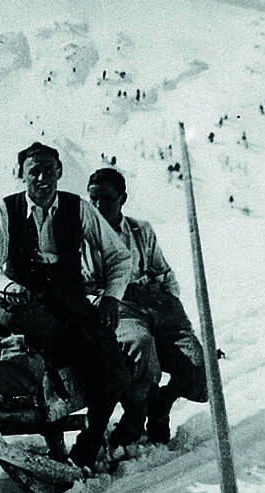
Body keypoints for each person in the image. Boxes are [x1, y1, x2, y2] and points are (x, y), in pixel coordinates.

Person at [0, 142, 133, 468]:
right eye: (33, 171)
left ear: (60, 172)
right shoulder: (5, 211)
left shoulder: (79, 209)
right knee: (47, 352)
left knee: (113, 365)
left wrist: (110, 298)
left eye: (49, 170)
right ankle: (54, 440)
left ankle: (90, 442)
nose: (42, 178)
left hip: (71, 304)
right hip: (23, 307)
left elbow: (120, 257)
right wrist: (10, 286)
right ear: (21, 175)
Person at [86, 167, 207, 445]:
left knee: (199, 368)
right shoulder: (83, 237)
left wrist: (171, 308)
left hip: (155, 303)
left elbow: (162, 271)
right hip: (118, 305)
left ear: (122, 199)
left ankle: (162, 402)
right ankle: (134, 419)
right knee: (141, 347)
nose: (97, 206)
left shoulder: (141, 230)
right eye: (92, 199)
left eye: (105, 199)